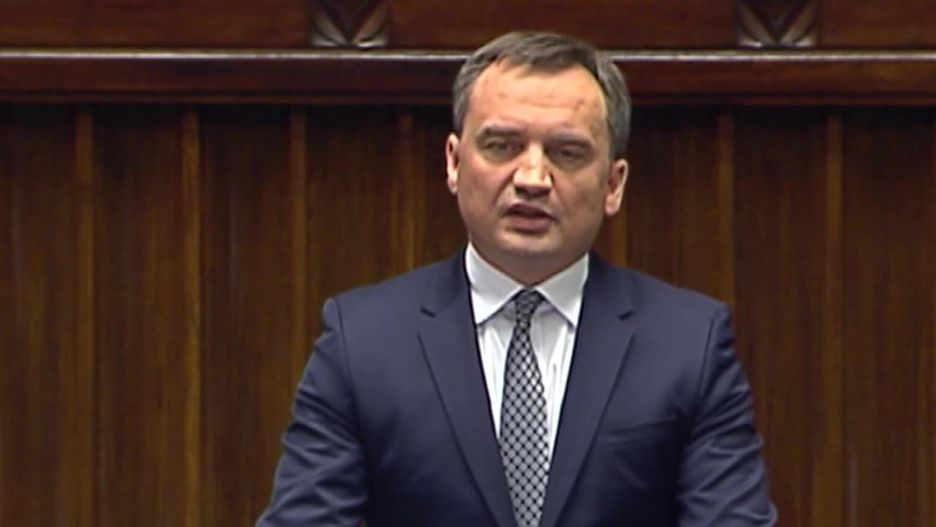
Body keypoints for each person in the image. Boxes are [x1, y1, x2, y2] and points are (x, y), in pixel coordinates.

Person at [257, 31, 777, 526]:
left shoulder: (688, 345)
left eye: (566, 153)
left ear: (613, 185)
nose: (532, 179)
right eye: (502, 146)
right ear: (454, 163)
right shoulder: (363, 341)